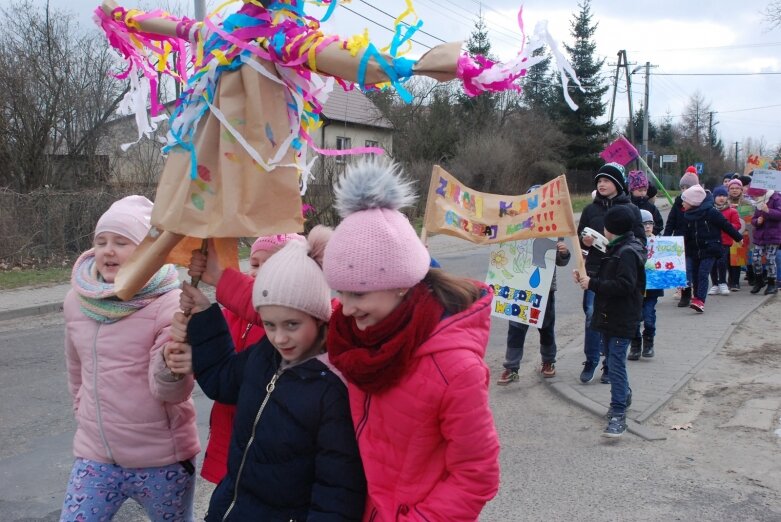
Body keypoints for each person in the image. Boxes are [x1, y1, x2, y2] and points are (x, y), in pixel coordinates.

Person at [321, 158, 500, 520]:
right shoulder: (358, 336)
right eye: (341, 292)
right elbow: (285, 314)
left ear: (402, 283)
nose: (345, 309)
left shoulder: (454, 368)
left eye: (358, 294)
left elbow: (476, 474)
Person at [164, 227, 367, 521]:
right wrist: (205, 314)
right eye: (269, 325)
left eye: (292, 325)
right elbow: (223, 380)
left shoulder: (331, 389)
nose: (280, 338)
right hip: (230, 507)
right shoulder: (265, 354)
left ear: (319, 316)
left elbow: (336, 490)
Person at [61, 196, 199, 521]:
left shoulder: (168, 304)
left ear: (146, 252)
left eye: (121, 242)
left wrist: (171, 366)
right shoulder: (76, 301)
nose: (108, 250)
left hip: (161, 459)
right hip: (96, 457)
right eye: (101, 241)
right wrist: (82, 408)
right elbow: (75, 367)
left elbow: (172, 392)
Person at [189, 233, 303, 485]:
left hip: (266, 453)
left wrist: (221, 279)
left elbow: (278, 309)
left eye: (270, 265)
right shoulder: (232, 314)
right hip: (229, 442)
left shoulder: (280, 331)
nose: (258, 272)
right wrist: (193, 346)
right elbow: (220, 370)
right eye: (254, 263)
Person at [573, 205, 646, 438]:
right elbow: (609, 278)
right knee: (612, 359)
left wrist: (592, 284)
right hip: (608, 315)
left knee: (615, 364)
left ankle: (618, 413)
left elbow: (625, 286)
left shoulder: (625, 253)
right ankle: (623, 394)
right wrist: (588, 279)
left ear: (609, 228)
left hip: (622, 317)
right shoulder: (616, 248)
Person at [577, 162, 644, 385]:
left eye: (606, 180)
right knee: (591, 315)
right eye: (599, 181)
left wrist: (621, 250)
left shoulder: (631, 209)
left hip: (618, 270)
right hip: (595, 270)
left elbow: (640, 242)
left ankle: (609, 366)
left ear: (617, 183)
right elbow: (579, 240)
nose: (602, 184)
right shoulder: (590, 210)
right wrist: (585, 242)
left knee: (613, 320)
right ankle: (591, 360)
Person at [497, 234, 571, 383]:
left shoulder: (552, 227)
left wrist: (563, 253)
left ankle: (548, 361)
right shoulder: (514, 225)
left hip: (544, 288)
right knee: (516, 329)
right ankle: (512, 367)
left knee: (546, 327)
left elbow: (559, 260)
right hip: (519, 287)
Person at [679, 185, 743, 313]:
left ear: (693, 201)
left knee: (703, 273)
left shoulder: (711, 212)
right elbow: (684, 233)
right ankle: (696, 297)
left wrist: (738, 237)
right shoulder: (687, 215)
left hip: (710, 248)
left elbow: (725, 225)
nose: (682, 203)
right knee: (695, 275)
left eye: (685, 200)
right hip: (694, 249)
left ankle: (700, 300)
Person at [663, 166, 701, 307]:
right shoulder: (678, 203)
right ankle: (684, 294)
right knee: (683, 270)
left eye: (688, 187)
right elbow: (671, 221)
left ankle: (696, 294)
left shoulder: (699, 204)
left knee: (694, 269)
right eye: (683, 187)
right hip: (680, 242)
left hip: (695, 242)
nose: (684, 190)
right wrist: (666, 237)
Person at [629, 209, 663, 360]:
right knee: (635, 318)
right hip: (636, 287)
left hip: (653, 288)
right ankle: (635, 344)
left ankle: (649, 343)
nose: (648, 226)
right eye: (644, 224)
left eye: (650, 223)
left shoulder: (660, 243)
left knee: (648, 317)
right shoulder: (632, 244)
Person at [708, 186, 742, 297]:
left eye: (723, 196)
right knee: (712, 263)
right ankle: (715, 284)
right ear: (714, 197)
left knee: (722, 262)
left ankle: (723, 282)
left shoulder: (732, 211)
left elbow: (737, 225)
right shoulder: (710, 210)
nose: (721, 198)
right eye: (718, 196)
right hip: (712, 241)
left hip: (725, 241)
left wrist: (725, 225)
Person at [749, 188, 781, 295]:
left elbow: (779, 214)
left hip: (773, 235)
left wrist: (768, 211)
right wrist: (757, 221)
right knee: (755, 257)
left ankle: (772, 283)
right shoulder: (759, 200)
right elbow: (754, 218)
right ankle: (759, 281)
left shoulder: (776, 198)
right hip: (760, 236)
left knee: (770, 259)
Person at [627, 170, 664, 235]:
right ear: (632, 190)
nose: (643, 193)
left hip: (648, 239)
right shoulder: (627, 205)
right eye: (640, 190)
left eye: (645, 190)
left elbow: (659, 223)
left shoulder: (650, 206)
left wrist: (652, 232)